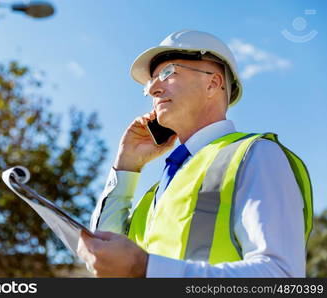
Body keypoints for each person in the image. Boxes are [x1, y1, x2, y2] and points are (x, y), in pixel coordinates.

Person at [77, 30, 313, 278]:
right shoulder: (157, 193)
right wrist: (126, 166)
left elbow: (281, 276)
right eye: (151, 81)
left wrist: (146, 269)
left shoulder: (256, 155)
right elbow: (103, 261)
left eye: (168, 73)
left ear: (213, 83)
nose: (154, 89)